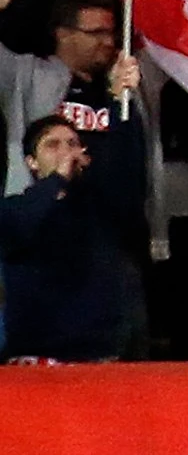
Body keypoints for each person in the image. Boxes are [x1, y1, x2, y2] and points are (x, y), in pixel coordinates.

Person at [0, 109, 148, 359]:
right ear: (31, 162)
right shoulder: (16, 208)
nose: (66, 151)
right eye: (52, 145)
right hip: (38, 360)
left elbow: (128, 171)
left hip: (102, 356)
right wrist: (58, 180)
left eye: (73, 144)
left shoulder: (104, 210)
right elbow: (19, 224)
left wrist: (121, 105)